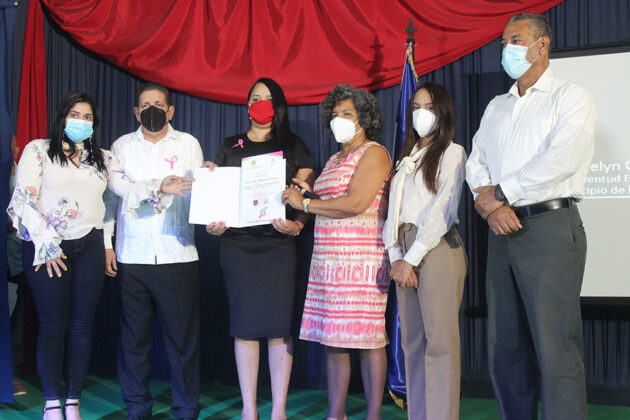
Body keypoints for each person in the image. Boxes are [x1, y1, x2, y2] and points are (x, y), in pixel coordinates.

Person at [6, 91, 192, 420]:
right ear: (63, 117)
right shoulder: (38, 150)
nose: (81, 122)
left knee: (82, 327)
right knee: (52, 326)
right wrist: (46, 241)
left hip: (89, 247)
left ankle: (73, 402)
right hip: (49, 248)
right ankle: (52, 403)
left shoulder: (103, 158)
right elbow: (23, 198)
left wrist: (160, 185)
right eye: (75, 115)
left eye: (88, 117)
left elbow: (126, 188)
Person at [466, 13, 596, 420]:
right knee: (505, 346)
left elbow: (561, 159)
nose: (507, 48)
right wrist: (491, 204)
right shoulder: (497, 106)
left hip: (548, 227)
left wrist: (501, 193)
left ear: (542, 45)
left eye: (516, 40)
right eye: (504, 42)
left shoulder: (570, 96)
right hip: (500, 230)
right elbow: (476, 161)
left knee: (556, 347)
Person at [205, 77, 314, 420]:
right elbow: (216, 193)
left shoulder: (293, 146)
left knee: (279, 327)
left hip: (278, 246)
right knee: (245, 326)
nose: (260, 103)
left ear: (278, 105)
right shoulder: (230, 145)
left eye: (267, 98)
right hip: (238, 246)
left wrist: (298, 224)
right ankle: (249, 409)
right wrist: (212, 219)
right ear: (247, 104)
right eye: (255, 97)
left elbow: (306, 196)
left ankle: (278, 409)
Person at [282, 84, 391, 420]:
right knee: (335, 338)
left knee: (368, 338)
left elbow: (356, 203)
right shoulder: (334, 159)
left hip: (361, 260)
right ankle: (336, 414)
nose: (338, 119)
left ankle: (373, 415)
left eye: (347, 113)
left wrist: (306, 204)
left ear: (364, 119)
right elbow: (329, 202)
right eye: (334, 114)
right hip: (330, 261)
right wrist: (307, 195)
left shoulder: (374, 153)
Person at [105, 82, 204, 420]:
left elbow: (199, 193)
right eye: (145, 105)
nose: (152, 110)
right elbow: (114, 195)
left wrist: (212, 187)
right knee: (134, 340)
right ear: (136, 112)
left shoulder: (188, 144)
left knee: (183, 341)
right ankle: (137, 407)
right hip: (132, 255)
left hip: (177, 254)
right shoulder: (121, 147)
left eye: (158, 105)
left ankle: (186, 408)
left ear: (170, 111)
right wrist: (107, 244)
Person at [383, 82, 467, 420]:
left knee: (440, 343)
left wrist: (411, 258)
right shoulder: (407, 157)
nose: (421, 114)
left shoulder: (452, 152)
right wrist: (395, 256)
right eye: (416, 107)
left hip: (435, 248)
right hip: (404, 249)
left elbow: (442, 210)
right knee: (412, 343)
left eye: (429, 107)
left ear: (442, 111)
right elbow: (394, 211)